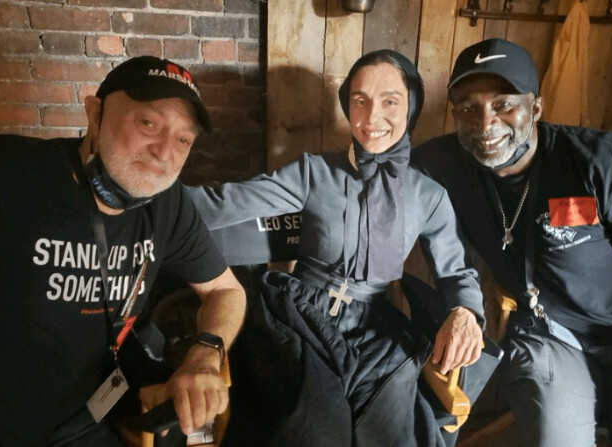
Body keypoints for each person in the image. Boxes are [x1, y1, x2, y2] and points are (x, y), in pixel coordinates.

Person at [186, 49, 485, 446]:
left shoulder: (428, 196)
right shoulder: (314, 172)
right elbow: (227, 203)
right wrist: (146, 199)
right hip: (302, 316)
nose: (372, 117)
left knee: (389, 432)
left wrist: (465, 310)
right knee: (316, 428)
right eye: (360, 101)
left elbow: (456, 272)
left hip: (376, 328)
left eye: (390, 101)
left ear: (411, 107)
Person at [411, 38, 612, 447]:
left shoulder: (606, 168)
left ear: (535, 107)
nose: (485, 124)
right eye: (467, 108)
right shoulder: (443, 165)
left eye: (503, 104)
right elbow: (374, 182)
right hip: (547, 335)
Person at [0, 56, 246, 447]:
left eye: (183, 139)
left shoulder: (168, 204)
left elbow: (226, 291)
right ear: (95, 114)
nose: (163, 153)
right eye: (148, 123)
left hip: (91, 422)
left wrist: (206, 353)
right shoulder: (8, 172)